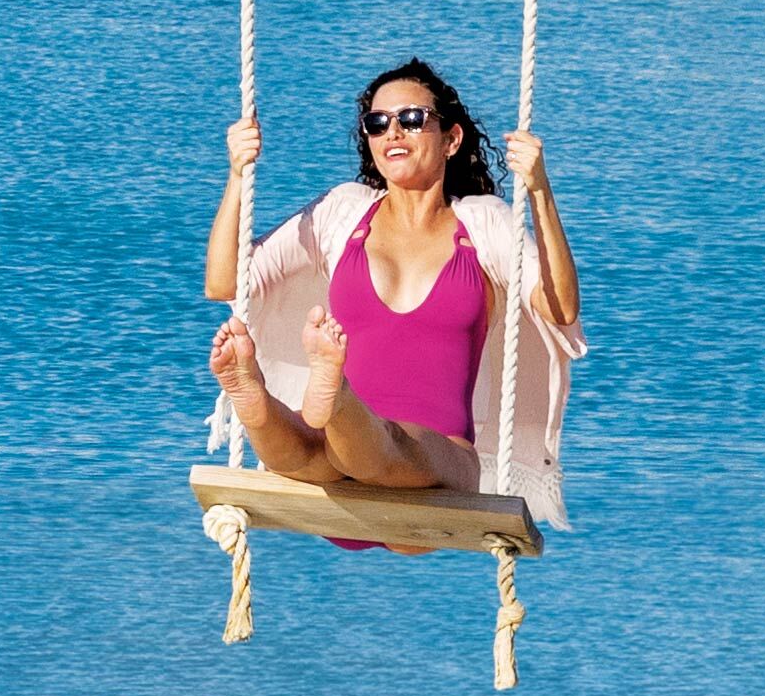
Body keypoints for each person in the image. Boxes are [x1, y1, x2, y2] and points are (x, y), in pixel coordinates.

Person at [205, 55, 583, 521]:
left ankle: (331, 395)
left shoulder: (483, 225)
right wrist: (238, 174)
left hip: (438, 468)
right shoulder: (341, 214)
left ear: (451, 139)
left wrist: (540, 190)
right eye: (378, 123)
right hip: (341, 468)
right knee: (306, 450)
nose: (393, 133)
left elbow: (559, 306)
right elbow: (225, 282)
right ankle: (258, 399)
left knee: (384, 446)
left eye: (410, 119)